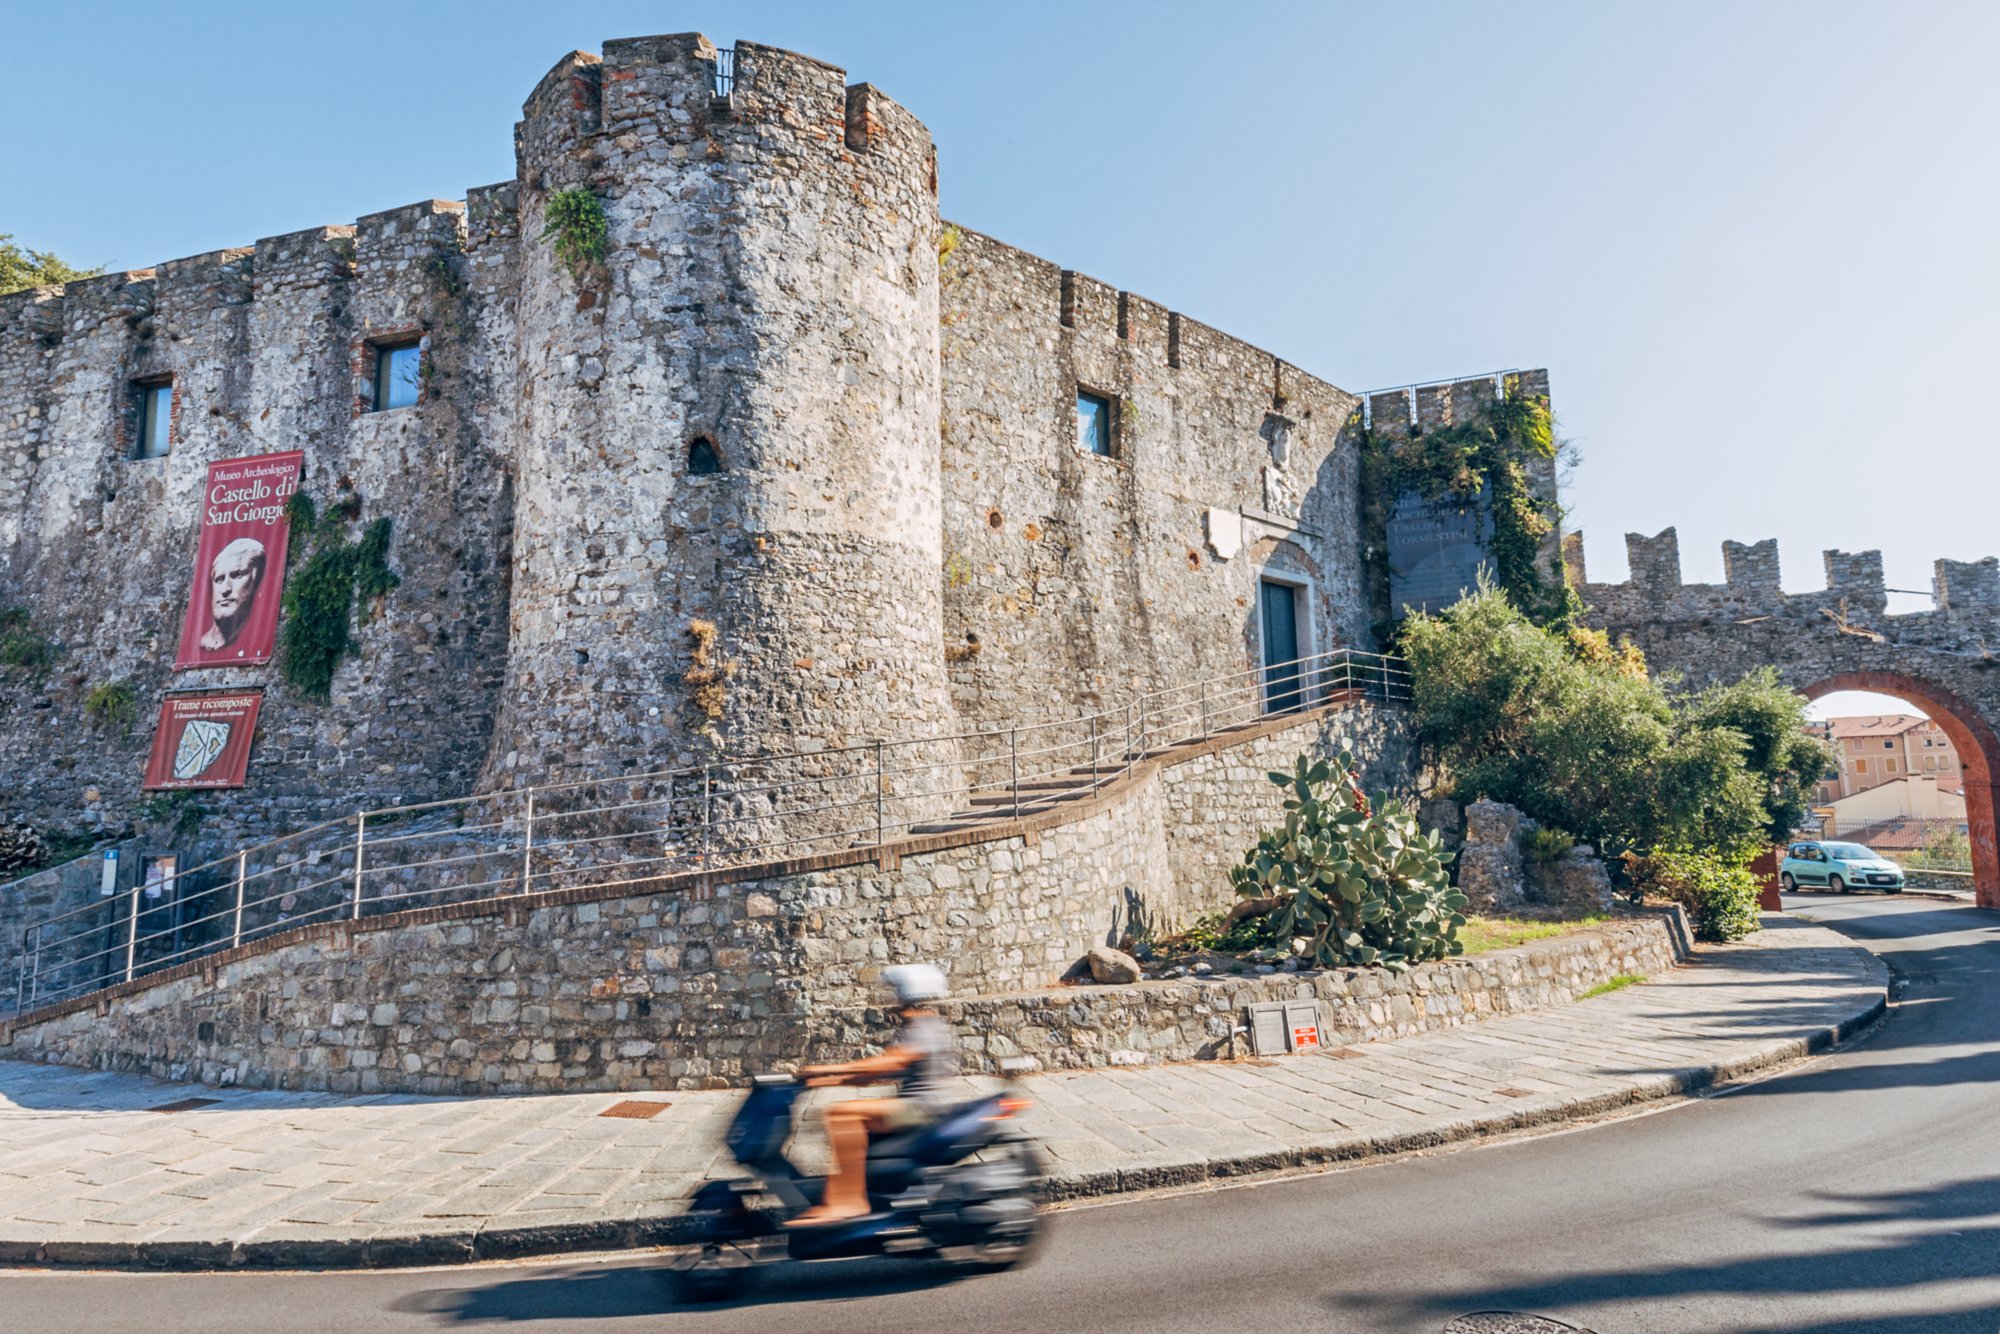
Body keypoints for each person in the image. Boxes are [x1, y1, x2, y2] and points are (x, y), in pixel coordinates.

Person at [788, 963, 958, 1228]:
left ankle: (849, 1201)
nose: (892, 999)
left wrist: (825, 1068)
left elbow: (882, 1065)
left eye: (896, 992)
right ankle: (852, 1191)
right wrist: (820, 1080)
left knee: (842, 1114)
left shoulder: (924, 1027)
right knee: (844, 1110)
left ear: (908, 993)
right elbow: (870, 1075)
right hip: (909, 1107)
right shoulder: (912, 1027)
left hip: (919, 1110)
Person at [197, 537, 266, 652]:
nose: (225, 590)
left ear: (256, 580)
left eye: (237, 575)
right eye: (219, 579)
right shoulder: (198, 642)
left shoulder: (256, 637)